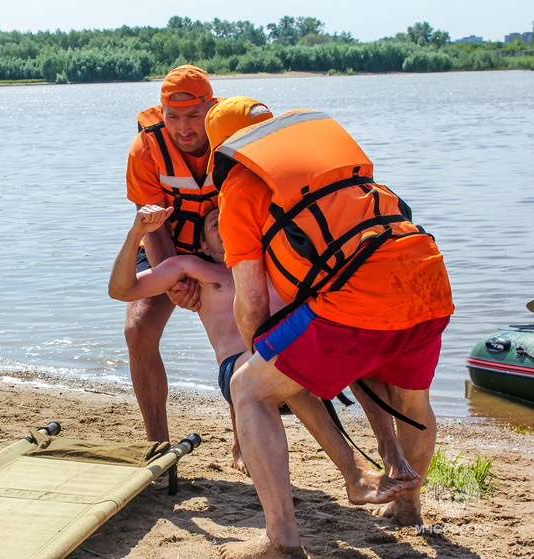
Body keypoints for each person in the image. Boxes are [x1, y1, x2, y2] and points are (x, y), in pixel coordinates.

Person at [206, 97, 455, 559]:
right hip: (429, 283)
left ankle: (281, 539)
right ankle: (408, 507)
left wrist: (264, 364)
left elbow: (252, 301)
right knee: (411, 402)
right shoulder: (328, 166)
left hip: (357, 300)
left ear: (225, 148)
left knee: (248, 388)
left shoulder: (240, 184)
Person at [109, 204, 421, 506]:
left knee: (354, 351)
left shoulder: (272, 264)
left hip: (291, 363)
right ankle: (354, 474)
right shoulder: (193, 269)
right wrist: (135, 231)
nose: (224, 228)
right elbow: (121, 290)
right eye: (215, 225)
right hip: (241, 370)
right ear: (203, 242)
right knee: (276, 362)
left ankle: (391, 453)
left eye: (229, 221)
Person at [124, 65, 219, 443]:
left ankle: (243, 442)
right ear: (162, 114)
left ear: (211, 108)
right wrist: (174, 283)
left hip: (223, 244)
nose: (184, 129)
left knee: (242, 333)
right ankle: (157, 442)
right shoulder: (145, 148)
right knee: (137, 330)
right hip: (165, 243)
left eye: (194, 116)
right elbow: (153, 223)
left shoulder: (235, 137)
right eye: (174, 118)